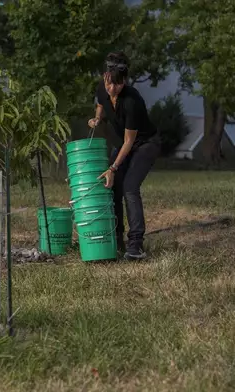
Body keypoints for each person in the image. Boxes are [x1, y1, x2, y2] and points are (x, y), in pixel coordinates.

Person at [87, 51, 161, 260]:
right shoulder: (103, 88)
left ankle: (135, 245)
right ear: (104, 78)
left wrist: (113, 168)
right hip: (123, 144)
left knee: (129, 187)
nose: (112, 89)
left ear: (124, 82)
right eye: (109, 83)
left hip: (145, 144)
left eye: (118, 85)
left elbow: (130, 142)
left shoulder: (132, 101)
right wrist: (97, 119)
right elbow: (101, 104)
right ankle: (116, 240)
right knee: (111, 188)